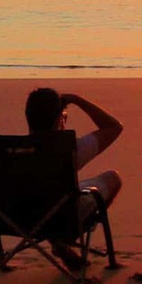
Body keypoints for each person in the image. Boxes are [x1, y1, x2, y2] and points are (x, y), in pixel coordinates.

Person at [24, 88, 124, 270]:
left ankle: (59, 242)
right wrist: (79, 100)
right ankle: (62, 239)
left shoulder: (10, 152)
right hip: (62, 216)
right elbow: (114, 127)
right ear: (58, 119)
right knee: (112, 178)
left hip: (16, 218)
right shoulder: (69, 149)